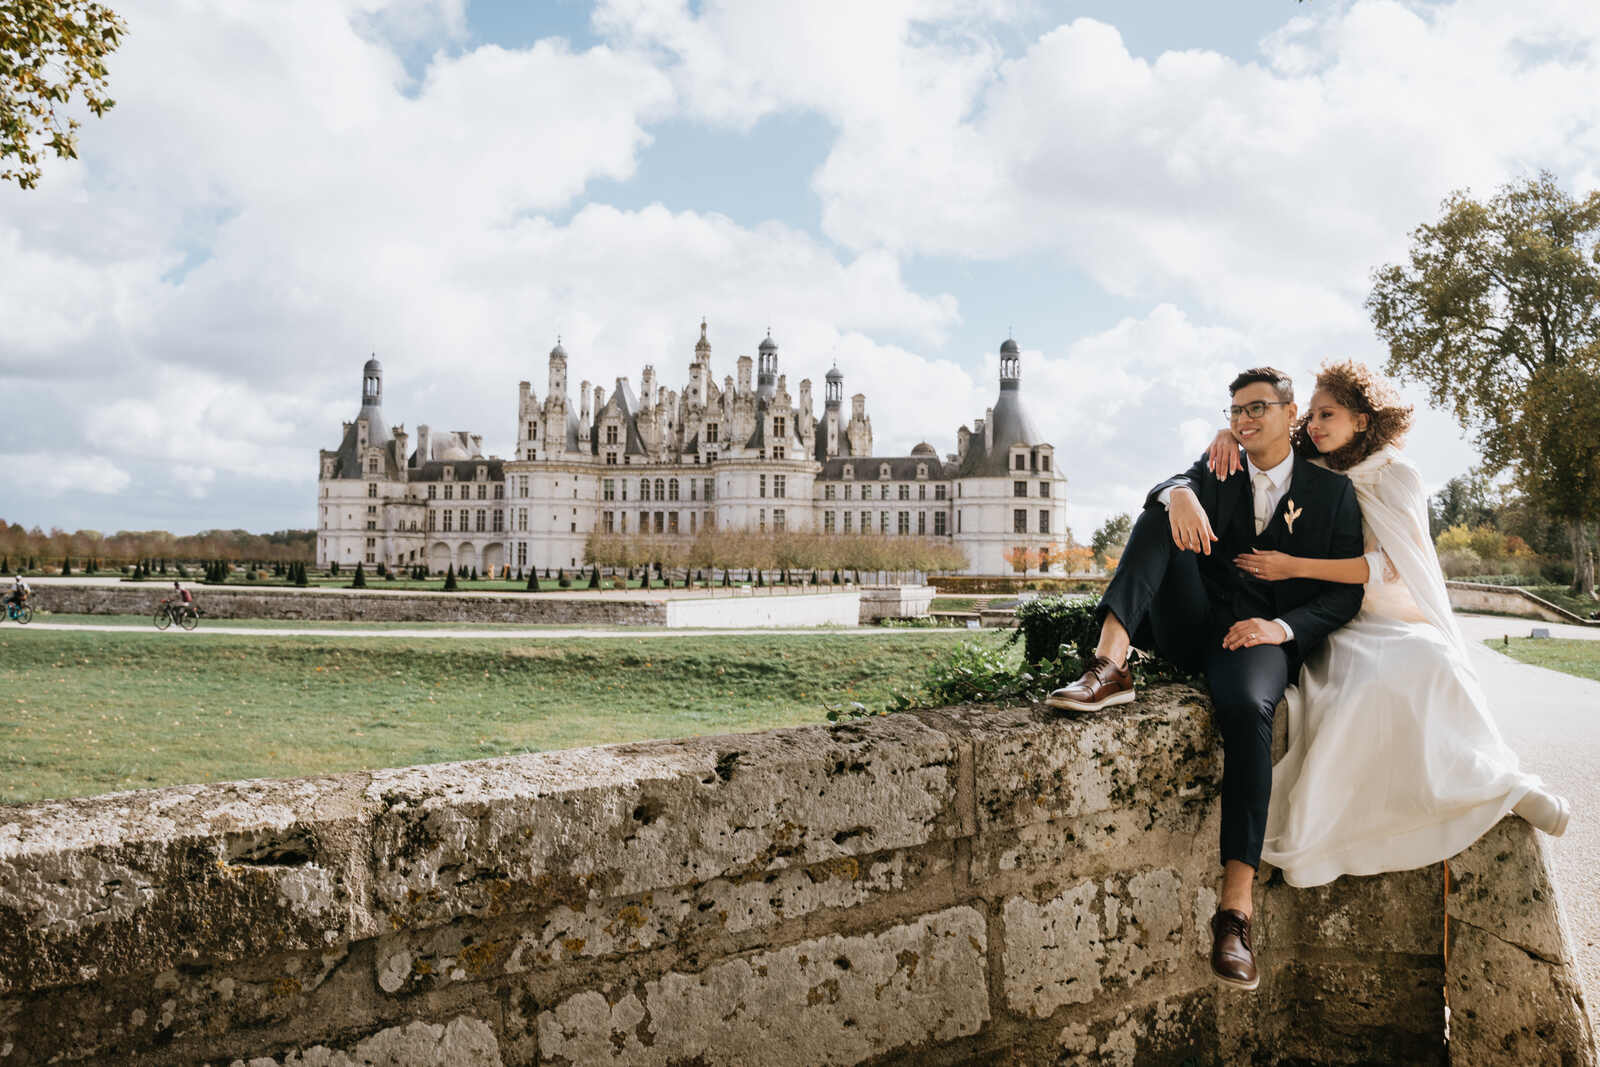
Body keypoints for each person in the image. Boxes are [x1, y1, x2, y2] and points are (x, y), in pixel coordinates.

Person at [1044, 367, 1367, 992]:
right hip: (1191, 621)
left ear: (1290, 412)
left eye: (1257, 409)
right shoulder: (1218, 463)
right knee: (1161, 513)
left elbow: (1342, 598)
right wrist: (1177, 493)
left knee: (1248, 710)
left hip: (1256, 640)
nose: (1244, 421)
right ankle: (1110, 662)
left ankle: (1235, 911)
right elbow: (1172, 487)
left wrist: (1281, 630)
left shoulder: (1331, 496)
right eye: (1235, 411)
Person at [1199, 361, 1569, 893]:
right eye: (1312, 416)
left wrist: (1293, 565)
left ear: (1363, 420)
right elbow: (1258, 437)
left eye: (1329, 415)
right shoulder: (1311, 464)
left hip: (1385, 608)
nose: (1315, 426)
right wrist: (1225, 433)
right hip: (1334, 613)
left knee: (1431, 662)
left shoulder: (1397, 475)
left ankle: (1500, 785)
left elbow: (1389, 566)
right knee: (1365, 681)